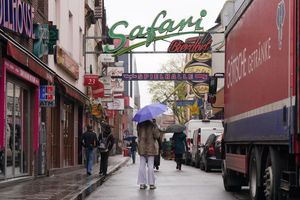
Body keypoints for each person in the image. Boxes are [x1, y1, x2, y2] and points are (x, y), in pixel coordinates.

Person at [137, 119, 160, 190]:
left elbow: (138, 135)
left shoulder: (140, 124)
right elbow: (157, 136)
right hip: (151, 147)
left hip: (142, 146)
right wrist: (155, 125)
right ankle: (151, 184)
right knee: (150, 166)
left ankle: (142, 184)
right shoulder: (152, 125)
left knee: (142, 165)